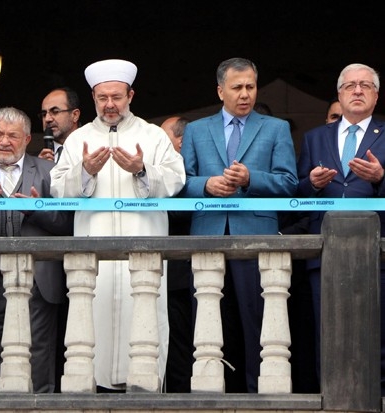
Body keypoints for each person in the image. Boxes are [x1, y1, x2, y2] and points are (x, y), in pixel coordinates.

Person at [50, 59, 186, 391]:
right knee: (92, 322)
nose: (110, 105)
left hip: (143, 251)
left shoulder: (153, 136)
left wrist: (142, 169)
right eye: (102, 98)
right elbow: (57, 189)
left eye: (117, 97)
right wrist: (84, 172)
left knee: (143, 321)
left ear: (131, 95)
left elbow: (177, 180)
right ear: (93, 99)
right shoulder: (77, 140)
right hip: (94, 255)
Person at [180, 57, 298, 393]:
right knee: (209, 322)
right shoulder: (196, 130)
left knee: (258, 322)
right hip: (207, 235)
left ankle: (257, 394)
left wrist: (250, 178)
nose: (245, 94)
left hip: (256, 236)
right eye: (237, 88)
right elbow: (180, 182)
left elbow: (290, 183)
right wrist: (206, 185)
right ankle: (210, 394)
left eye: (250, 87)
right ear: (220, 91)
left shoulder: (276, 128)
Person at [0, 106, 73, 393]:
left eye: (12, 136)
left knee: (39, 347)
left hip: (38, 274)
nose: (4, 141)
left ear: (26, 139)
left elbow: (67, 223)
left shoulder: (49, 170)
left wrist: (37, 211)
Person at [297, 63, 385, 395]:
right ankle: (329, 395)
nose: (358, 91)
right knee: (328, 330)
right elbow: (298, 193)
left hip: (376, 249)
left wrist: (380, 179)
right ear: (339, 94)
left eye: (365, 85)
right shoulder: (314, 137)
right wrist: (314, 184)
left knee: (374, 330)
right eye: (350, 86)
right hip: (326, 248)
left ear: (376, 96)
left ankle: (377, 395)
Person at [162, 116, 193, 392]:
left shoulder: (187, 170)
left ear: (180, 142)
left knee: (181, 345)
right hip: (164, 274)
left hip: (182, 275)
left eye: (164, 138)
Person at [37, 87, 80, 163]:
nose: (47, 119)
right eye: (44, 114)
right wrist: (40, 170)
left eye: (55, 112)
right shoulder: (36, 161)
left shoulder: (94, 150)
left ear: (75, 115)